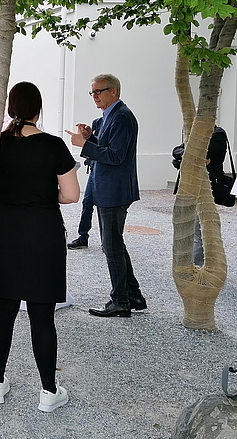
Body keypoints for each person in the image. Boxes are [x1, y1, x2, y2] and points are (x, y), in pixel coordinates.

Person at [0, 82, 80, 413]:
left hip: (3, 228)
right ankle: (48, 391)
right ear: (39, 109)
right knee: (42, 315)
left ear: (11, 108)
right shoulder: (54, 145)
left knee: (3, 308)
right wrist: (38, 193)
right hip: (41, 231)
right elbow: (71, 195)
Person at [67, 73, 144, 318]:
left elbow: (115, 155)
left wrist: (85, 145)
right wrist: (92, 138)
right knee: (114, 244)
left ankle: (120, 301)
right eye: (92, 92)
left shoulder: (121, 116)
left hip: (114, 189)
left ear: (114, 91)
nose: (95, 96)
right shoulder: (112, 115)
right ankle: (132, 295)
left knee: (111, 246)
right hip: (108, 187)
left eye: (99, 91)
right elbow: (108, 145)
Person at [172, 126, 229, 265]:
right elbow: (176, 152)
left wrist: (189, 157)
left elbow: (199, 152)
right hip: (188, 186)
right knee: (189, 227)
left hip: (206, 187)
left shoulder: (217, 133)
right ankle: (194, 264)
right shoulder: (193, 132)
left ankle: (198, 267)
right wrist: (188, 157)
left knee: (200, 229)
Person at [67, 123, 98, 250]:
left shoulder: (115, 119)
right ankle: (83, 237)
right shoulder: (99, 122)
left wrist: (84, 142)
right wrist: (88, 136)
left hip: (103, 171)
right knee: (87, 203)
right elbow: (97, 144)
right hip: (94, 168)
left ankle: (107, 240)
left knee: (104, 208)